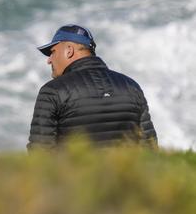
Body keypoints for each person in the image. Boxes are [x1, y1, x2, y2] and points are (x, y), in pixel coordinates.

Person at [28, 24, 157, 149]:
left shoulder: (52, 91)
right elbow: (149, 146)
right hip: (126, 171)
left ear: (69, 51)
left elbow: (40, 152)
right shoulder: (131, 86)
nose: (49, 60)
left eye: (52, 52)